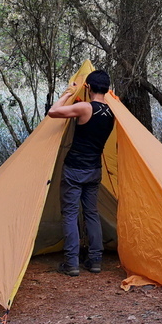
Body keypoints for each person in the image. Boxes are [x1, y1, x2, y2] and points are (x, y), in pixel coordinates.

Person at [47, 69, 115, 276]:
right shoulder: (113, 111)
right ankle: (95, 261)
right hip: (94, 169)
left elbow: (53, 112)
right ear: (108, 89)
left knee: (69, 214)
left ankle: (71, 263)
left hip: (75, 168)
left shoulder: (85, 107)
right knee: (91, 213)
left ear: (88, 87)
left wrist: (68, 94)